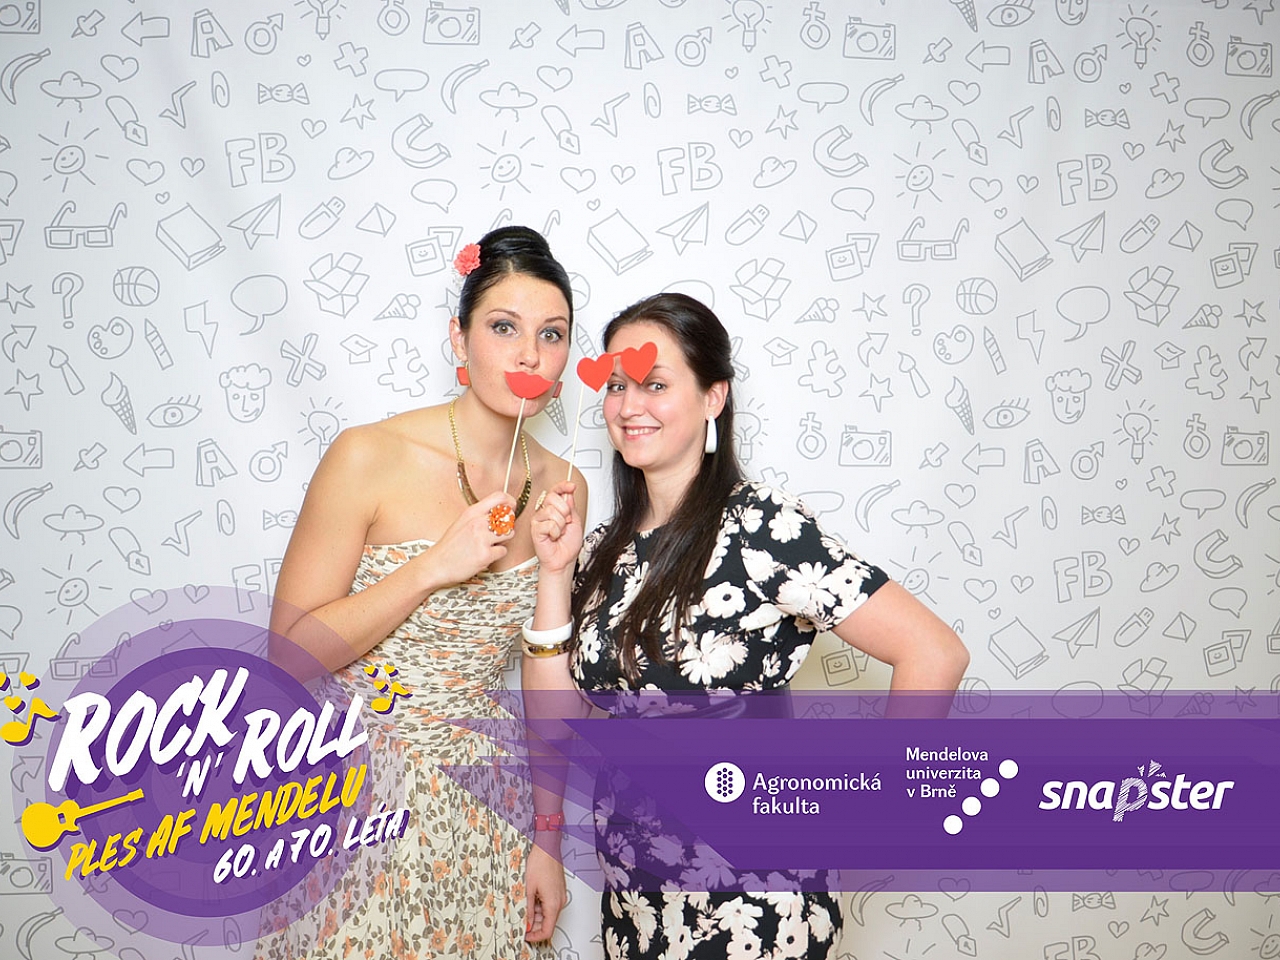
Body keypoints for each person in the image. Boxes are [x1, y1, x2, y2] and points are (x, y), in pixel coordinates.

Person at [523, 292, 968, 959]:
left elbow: (934, 651)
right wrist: (555, 574)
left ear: (713, 397)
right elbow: (561, 721)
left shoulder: (761, 528)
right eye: (615, 386)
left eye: (655, 384)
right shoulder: (601, 551)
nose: (629, 405)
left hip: (754, 898)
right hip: (636, 895)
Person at [262, 225, 583, 959]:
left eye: (552, 334)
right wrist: (434, 565)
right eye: (503, 327)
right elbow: (287, 657)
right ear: (459, 338)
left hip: (488, 809)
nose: (529, 354)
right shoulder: (368, 455)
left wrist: (548, 838)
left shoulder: (565, 486)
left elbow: (545, 678)